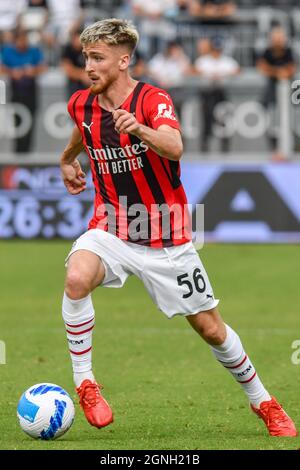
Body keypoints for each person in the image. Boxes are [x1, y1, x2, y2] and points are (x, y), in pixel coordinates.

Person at [60, 18, 297, 436]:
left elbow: (175, 145)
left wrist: (142, 130)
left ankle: (264, 402)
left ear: (123, 60)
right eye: (86, 57)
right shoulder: (81, 103)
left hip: (166, 237)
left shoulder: (153, 99)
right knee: (76, 278)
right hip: (111, 225)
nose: (89, 66)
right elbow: (81, 134)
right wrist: (66, 160)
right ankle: (86, 382)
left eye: (97, 58)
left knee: (212, 330)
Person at [256, 27, 296, 160]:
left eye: (280, 38)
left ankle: (290, 149)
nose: (278, 41)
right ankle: (275, 150)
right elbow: (262, 67)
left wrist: (280, 72)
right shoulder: (267, 52)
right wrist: (278, 72)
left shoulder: (288, 52)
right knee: (271, 122)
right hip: (271, 93)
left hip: (289, 95)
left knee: (291, 121)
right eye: (276, 38)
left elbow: (291, 69)